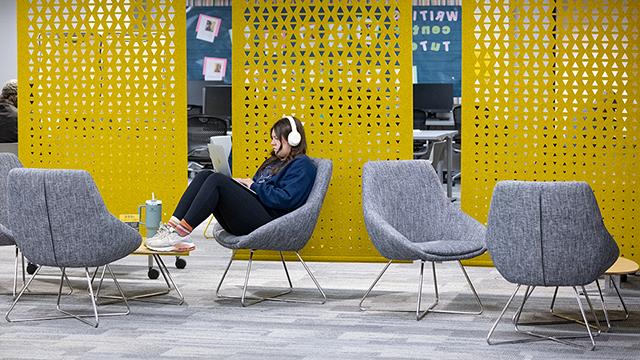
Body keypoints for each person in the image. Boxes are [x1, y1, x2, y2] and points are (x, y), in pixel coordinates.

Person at [145, 116, 317, 252]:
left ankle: (179, 234)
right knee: (206, 174)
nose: (272, 143)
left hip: (270, 222)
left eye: (276, 138)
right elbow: (260, 186)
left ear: (292, 139)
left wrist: (253, 186)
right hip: (256, 214)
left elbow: (286, 199)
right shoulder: (274, 161)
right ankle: (171, 228)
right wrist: (243, 186)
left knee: (217, 180)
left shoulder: (302, 165)